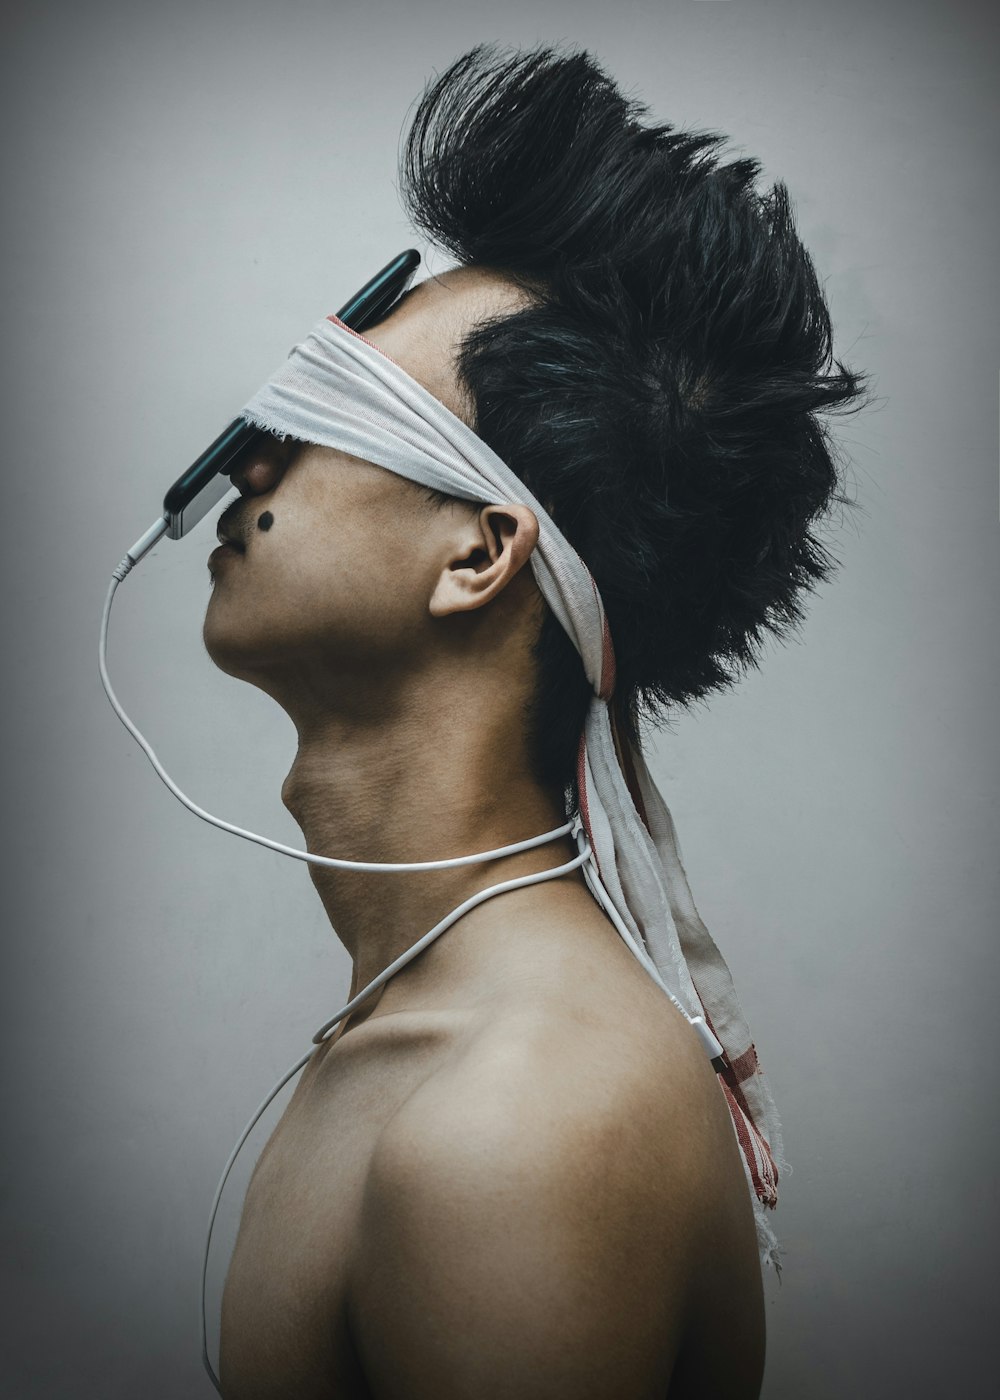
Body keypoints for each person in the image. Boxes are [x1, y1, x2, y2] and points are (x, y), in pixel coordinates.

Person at [203, 44, 866, 1400]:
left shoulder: (515, 1127)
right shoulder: (424, 1045)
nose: (249, 450)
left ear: (480, 555)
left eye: (334, 413)